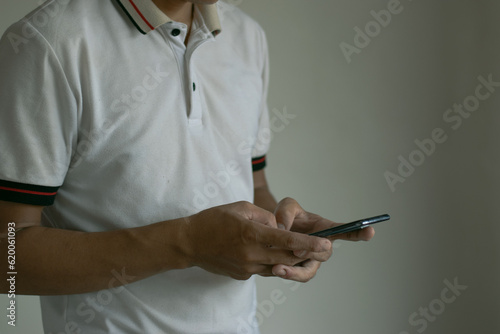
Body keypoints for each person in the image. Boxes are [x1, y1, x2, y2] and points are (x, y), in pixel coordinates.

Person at [0, 0, 374, 333]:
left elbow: (253, 185)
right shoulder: (47, 41)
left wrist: (283, 231)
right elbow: (7, 257)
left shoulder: (247, 37)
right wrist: (187, 243)